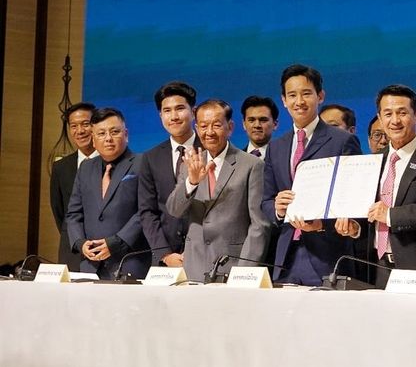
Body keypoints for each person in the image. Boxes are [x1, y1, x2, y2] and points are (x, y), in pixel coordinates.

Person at [261, 64, 362, 286]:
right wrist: (278, 209)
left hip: (328, 255)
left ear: (320, 96)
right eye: (292, 95)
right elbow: (266, 200)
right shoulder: (276, 147)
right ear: (284, 100)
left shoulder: (342, 141)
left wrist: (322, 224)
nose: (299, 101)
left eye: (306, 93)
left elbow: (354, 200)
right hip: (286, 255)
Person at [335, 85, 416, 287]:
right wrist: (356, 227)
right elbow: (370, 215)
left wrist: (391, 215)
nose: (395, 120)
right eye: (388, 114)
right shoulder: (372, 162)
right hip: (376, 268)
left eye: (402, 113)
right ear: (380, 118)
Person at [167, 99, 270, 281]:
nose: (209, 132)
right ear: (197, 129)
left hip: (233, 266)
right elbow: (174, 210)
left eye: (216, 125)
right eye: (203, 126)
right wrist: (192, 182)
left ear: (230, 127)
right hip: (194, 266)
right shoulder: (190, 164)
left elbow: (259, 224)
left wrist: (244, 272)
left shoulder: (252, 165)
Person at [66, 108, 150, 279]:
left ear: (126, 134)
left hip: (129, 262)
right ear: (93, 139)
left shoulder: (143, 163)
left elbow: (145, 211)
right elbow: (74, 213)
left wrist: (115, 243)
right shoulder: (86, 167)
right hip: (90, 265)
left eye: (114, 132)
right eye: (101, 133)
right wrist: (80, 243)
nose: (108, 138)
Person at [138, 81, 199, 267]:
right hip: (165, 260)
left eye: (180, 108)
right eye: (167, 110)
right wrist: (164, 254)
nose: (174, 116)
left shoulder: (210, 151)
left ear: (193, 112)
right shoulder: (150, 157)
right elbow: (147, 211)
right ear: (160, 116)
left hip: (205, 254)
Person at [49, 102, 97, 270]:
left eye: (85, 124)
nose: (80, 131)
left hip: (107, 249)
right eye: (74, 126)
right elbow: (59, 211)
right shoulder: (60, 167)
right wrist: (75, 238)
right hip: (72, 250)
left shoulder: (115, 163)